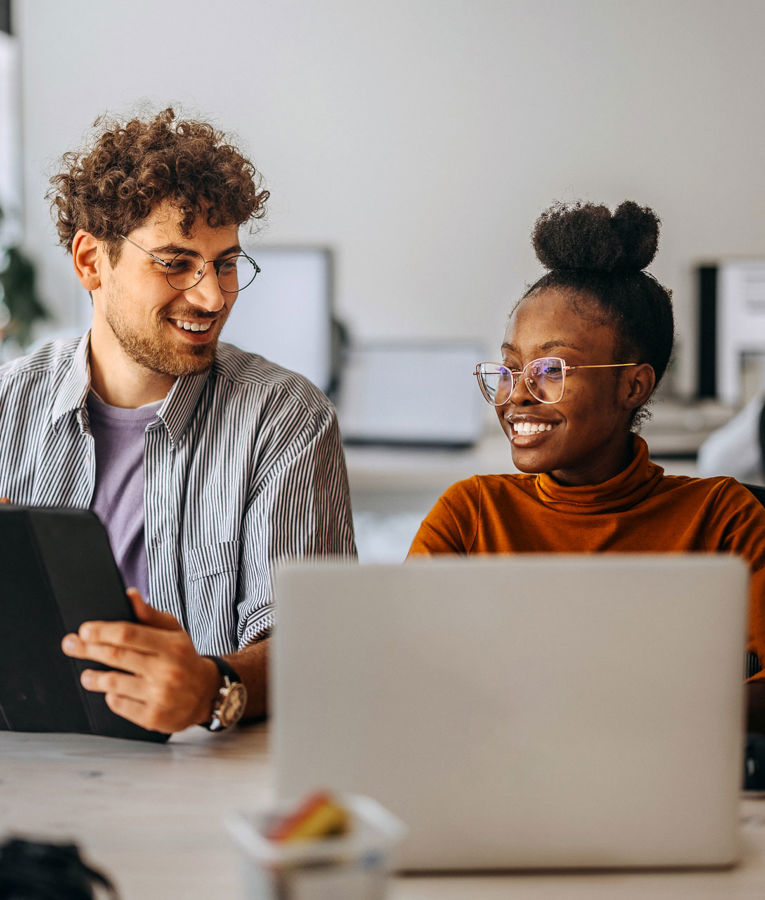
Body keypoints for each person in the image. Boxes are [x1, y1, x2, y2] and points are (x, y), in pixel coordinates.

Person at [0, 108, 356, 735]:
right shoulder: (8, 407)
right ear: (90, 262)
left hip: (203, 776)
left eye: (225, 263)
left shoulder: (285, 419)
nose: (213, 296)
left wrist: (215, 686)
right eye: (175, 262)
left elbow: (318, 644)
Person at [408, 200, 765, 722]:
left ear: (633, 385)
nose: (519, 395)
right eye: (510, 368)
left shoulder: (721, 519)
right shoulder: (471, 514)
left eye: (552, 370)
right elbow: (403, 672)